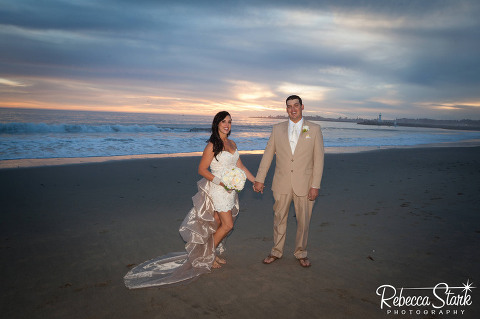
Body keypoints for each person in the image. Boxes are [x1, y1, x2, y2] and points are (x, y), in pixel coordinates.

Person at [124, 111, 255, 288]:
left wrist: (255, 181)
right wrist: (221, 182)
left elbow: (240, 166)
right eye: (223, 121)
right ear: (216, 123)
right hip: (218, 189)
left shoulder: (232, 143)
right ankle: (206, 256)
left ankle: (211, 253)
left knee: (216, 222)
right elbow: (202, 169)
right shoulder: (212, 145)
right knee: (228, 225)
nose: (227, 125)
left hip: (230, 190)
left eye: (230, 122)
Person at [253, 95, 324, 268]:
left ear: (302, 107)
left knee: (304, 222)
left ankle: (301, 252)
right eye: (289, 106)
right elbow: (268, 155)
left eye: (296, 105)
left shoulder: (313, 129)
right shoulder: (277, 129)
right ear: (286, 109)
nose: (292, 109)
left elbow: (319, 159)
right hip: (281, 183)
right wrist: (259, 179)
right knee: (279, 219)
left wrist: (315, 185)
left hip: (305, 184)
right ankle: (276, 251)